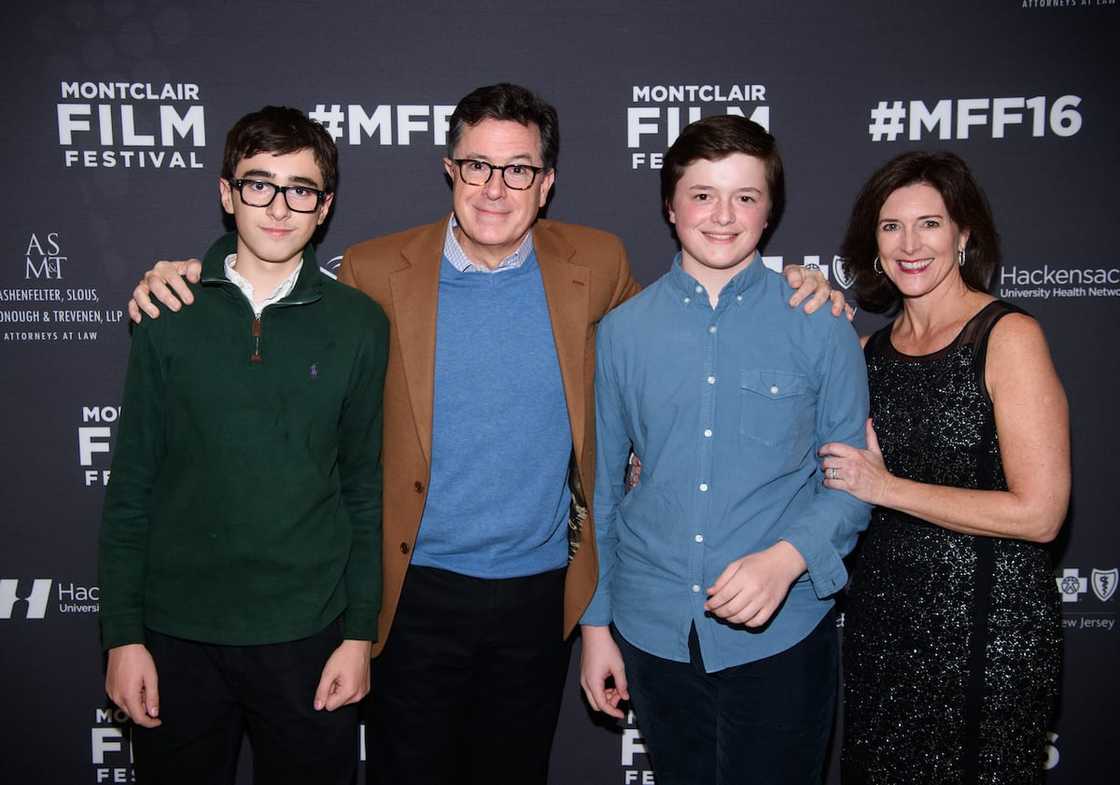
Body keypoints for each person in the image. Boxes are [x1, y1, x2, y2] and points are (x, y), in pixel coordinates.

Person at [126, 84, 843, 784]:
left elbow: (685, 322)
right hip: (411, 589)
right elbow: (276, 286)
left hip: (536, 594)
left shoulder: (596, 265)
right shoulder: (377, 270)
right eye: (477, 165)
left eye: (519, 169)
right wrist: (194, 271)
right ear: (450, 169)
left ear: (547, 181)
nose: (495, 188)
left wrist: (797, 290)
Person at [98, 106, 389, 785]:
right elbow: (131, 485)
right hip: (177, 636)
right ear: (227, 193)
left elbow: (363, 490)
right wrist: (122, 634)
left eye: (300, 189)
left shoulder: (359, 324)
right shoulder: (166, 313)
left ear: (325, 207)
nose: (279, 207)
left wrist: (358, 633)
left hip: (310, 636)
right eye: (259, 184)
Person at [579, 114, 871, 785]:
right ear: (670, 204)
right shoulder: (622, 332)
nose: (722, 215)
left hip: (784, 633)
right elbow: (597, 490)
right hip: (653, 630)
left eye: (745, 196)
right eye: (702, 193)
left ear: (769, 212)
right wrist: (596, 627)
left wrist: (787, 557)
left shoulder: (819, 323)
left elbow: (854, 480)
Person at [818, 151, 1069, 785]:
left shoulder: (1007, 336)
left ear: (963, 235)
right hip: (882, 628)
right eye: (891, 226)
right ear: (872, 244)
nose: (910, 244)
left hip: (987, 631)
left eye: (929, 224)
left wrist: (887, 488)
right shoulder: (868, 353)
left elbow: (1040, 514)